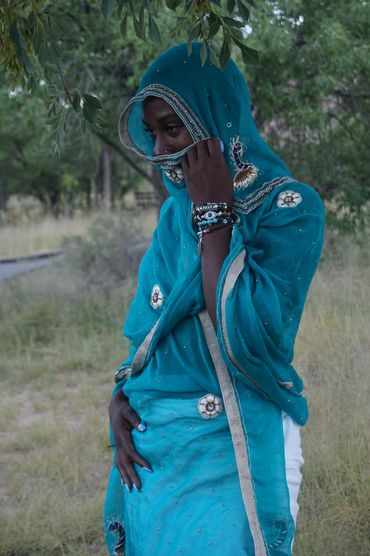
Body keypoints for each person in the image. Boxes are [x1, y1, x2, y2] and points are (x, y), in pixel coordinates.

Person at [104, 43, 325, 556]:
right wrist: (121, 394)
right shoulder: (172, 215)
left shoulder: (289, 208)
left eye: (173, 128)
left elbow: (251, 337)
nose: (160, 150)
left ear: (215, 119)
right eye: (153, 131)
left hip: (238, 442)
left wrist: (215, 218)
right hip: (158, 441)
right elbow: (149, 329)